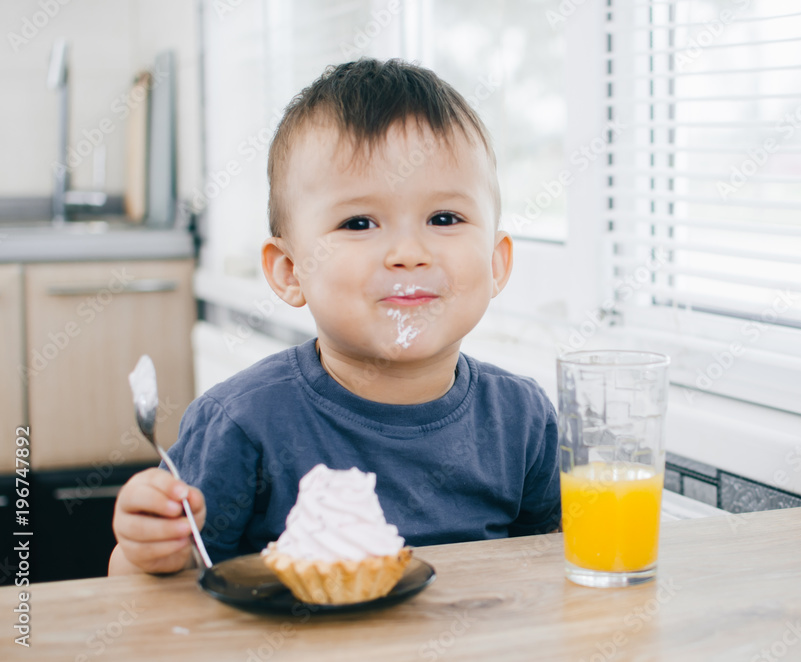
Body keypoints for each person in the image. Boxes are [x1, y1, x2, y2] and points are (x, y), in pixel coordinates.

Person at [108, 58, 561, 575]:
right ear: (289, 271)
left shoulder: (522, 419)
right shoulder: (241, 424)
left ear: (497, 263)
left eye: (444, 218)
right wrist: (146, 551)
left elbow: (548, 570)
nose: (408, 252)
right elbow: (143, 597)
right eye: (359, 222)